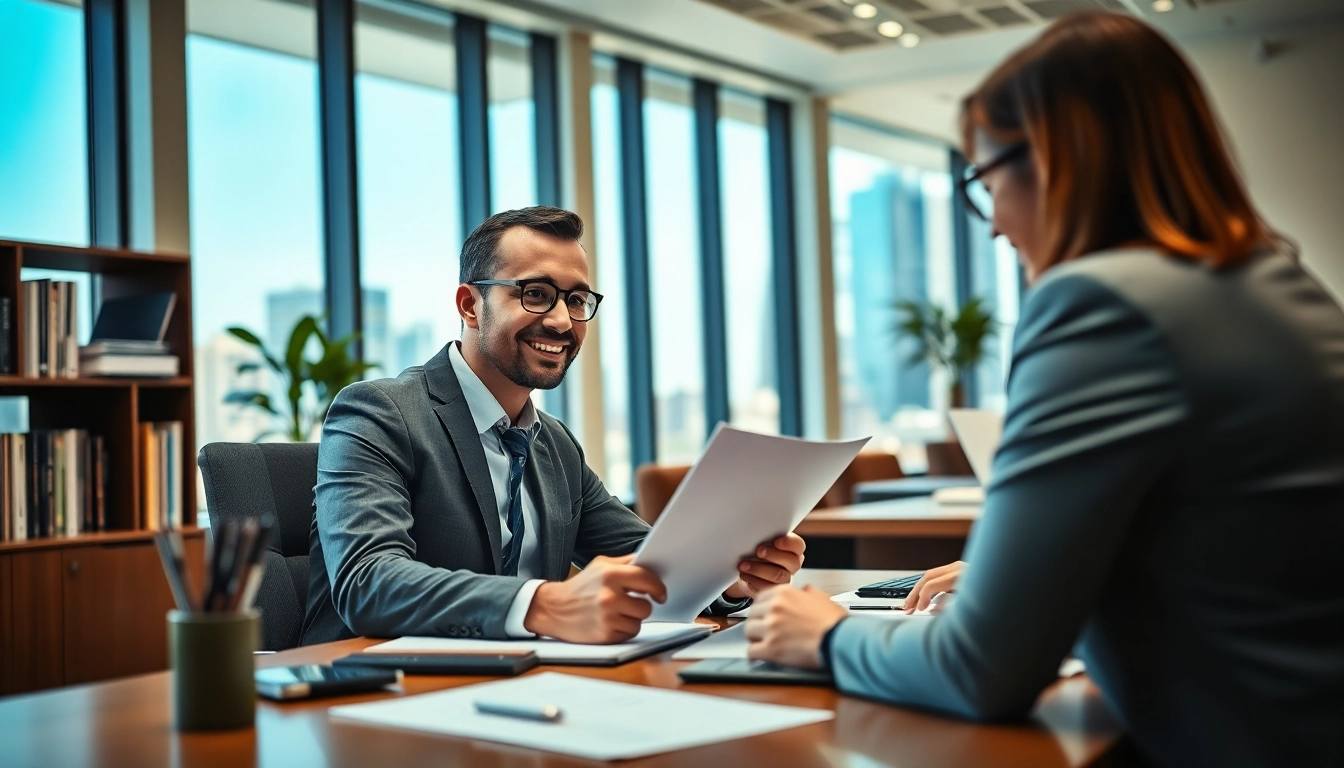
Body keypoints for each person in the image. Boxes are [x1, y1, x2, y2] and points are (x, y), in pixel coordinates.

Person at [744, 12, 1344, 768]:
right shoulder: (1281, 286)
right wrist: (1028, 577)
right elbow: (1220, 544)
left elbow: (981, 671)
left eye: (985, 179)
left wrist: (826, 635)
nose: (993, 223)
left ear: (1061, 159)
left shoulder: (1102, 303)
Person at [301, 206, 805, 646]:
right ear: (470, 305)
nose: (563, 321)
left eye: (577, 300)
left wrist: (730, 579)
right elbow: (368, 581)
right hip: (375, 698)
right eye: (536, 294)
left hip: (527, 687)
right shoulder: (378, 413)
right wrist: (546, 604)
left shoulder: (554, 443)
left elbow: (648, 559)